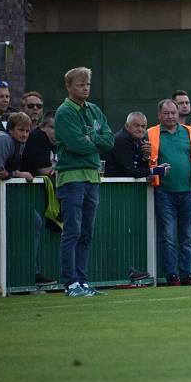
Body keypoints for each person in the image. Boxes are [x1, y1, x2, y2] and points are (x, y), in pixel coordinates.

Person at [55, 67, 114, 297]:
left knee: (87, 232)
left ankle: (82, 280)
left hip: (92, 176)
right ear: (69, 87)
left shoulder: (95, 110)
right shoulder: (64, 112)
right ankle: (70, 283)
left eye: (87, 84)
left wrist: (92, 139)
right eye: (80, 84)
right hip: (71, 178)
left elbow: (109, 141)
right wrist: (93, 142)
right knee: (72, 231)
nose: (85, 88)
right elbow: (75, 144)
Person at [148, 99, 191, 286]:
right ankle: (172, 276)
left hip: (189, 191)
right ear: (159, 115)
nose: (170, 116)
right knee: (168, 237)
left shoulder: (190, 132)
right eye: (166, 113)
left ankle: (187, 274)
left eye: (173, 112)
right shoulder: (151, 133)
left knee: (188, 237)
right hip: (164, 191)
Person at [19, 110, 60, 286]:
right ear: (43, 127)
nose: (57, 132)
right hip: (20, 193)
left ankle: (36, 273)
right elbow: (46, 171)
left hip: (35, 195)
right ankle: (28, 274)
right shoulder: (38, 138)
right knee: (34, 224)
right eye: (53, 128)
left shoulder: (57, 143)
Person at [0, 111, 33, 181]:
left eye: (27, 131)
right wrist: (18, 174)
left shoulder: (20, 142)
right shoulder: (3, 139)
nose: (24, 135)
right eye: (21, 130)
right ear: (10, 129)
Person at [104, 112, 151, 178]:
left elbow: (139, 169)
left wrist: (145, 158)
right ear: (127, 126)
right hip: (114, 186)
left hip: (131, 186)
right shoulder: (121, 140)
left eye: (143, 126)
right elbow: (130, 172)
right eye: (136, 126)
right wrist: (153, 171)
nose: (140, 129)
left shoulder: (141, 140)